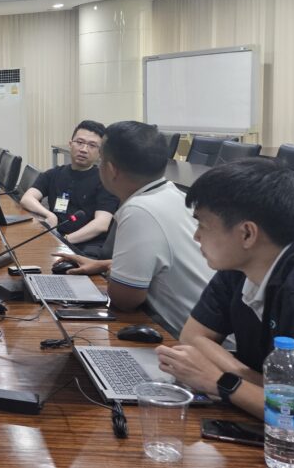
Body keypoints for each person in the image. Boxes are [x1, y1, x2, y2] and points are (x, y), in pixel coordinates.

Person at [155, 158, 294, 418]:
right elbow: (193, 336)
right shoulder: (240, 264)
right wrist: (257, 383)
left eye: (202, 225)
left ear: (247, 234)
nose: (196, 236)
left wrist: (220, 381)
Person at [53, 121, 213, 334]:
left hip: (185, 339)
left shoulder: (139, 210)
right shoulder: (171, 193)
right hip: (210, 332)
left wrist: (116, 274)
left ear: (111, 169)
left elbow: (125, 300)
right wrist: (104, 265)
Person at [20, 120, 119, 257]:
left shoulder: (105, 181)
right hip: (56, 238)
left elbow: (101, 224)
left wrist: (64, 240)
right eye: (80, 142)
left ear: (100, 152)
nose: (84, 149)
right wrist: (49, 215)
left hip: (86, 246)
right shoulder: (54, 174)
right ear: (70, 144)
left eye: (92, 145)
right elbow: (27, 198)